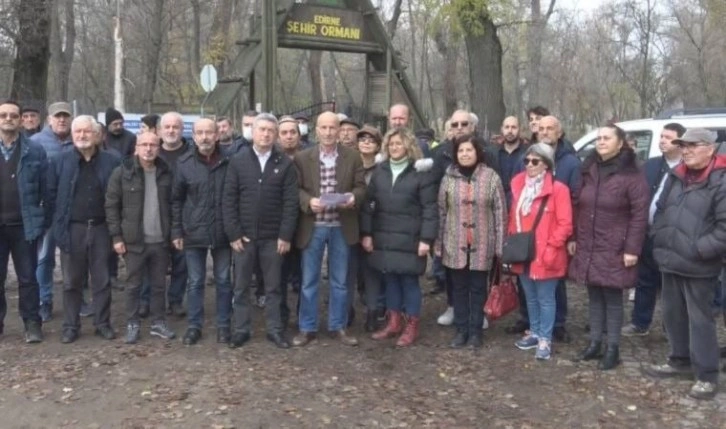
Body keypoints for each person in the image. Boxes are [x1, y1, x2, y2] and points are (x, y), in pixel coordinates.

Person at [645, 128, 726, 400]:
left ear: (711, 148)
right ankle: (679, 360)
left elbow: (724, 230)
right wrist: (658, 237)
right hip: (669, 258)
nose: (686, 150)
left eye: (693, 146)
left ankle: (706, 375)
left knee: (700, 321)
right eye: (684, 146)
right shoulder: (676, 175)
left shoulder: (721, 180)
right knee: (672, 315)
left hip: (699, 265)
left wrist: (699, 250)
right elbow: (662, 210)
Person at [569, 125, 649, 370]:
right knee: (593, 294)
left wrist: (632, 249)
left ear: (620, 143)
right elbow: (577, 204)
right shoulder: (589, 169)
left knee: (613, 297)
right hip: (589, 242)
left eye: (607, 138)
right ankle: (594, 342)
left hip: (616, 244)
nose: (601, 142)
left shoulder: (632, 175)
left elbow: (639, 215)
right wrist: (573, 237)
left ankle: (612, 347)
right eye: (599, 138)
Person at [223, 113, 299, 349]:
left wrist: (285, 236)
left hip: (273, 239)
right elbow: (229, 199)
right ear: (252, 132)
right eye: (261, 129)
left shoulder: (284, 163)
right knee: (242, 285)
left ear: (275, 135)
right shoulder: (238, 160)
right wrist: (233, 233)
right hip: (244, 238)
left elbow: (291, 203)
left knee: (274, 287)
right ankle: (241, 330)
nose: (265, 134)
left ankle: (275, 330)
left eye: (270, 130)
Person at [291, 111, 366, 347]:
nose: (328, 132)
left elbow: (362, 187)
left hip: (341, 225)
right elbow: (295, 189)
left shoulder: (353, 157)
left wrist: (353, 197)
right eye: (323, 128)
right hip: (313, 225)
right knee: (309, 280)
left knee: (340, 281)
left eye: (333, 128)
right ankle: (307, 327)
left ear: (340, 130)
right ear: (316, 130)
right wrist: (308, 202)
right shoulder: (303, 158)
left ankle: (338, 326)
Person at [48, 115, 121, 343]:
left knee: (102, 280)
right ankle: (71, 326)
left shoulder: (112, 161)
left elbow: (119, 197)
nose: (82, 136)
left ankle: (102, 323)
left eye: (86, 132)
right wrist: (57, 227)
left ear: (96, 135)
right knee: (71, 281)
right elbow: (51, 196)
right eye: (77, 131)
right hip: (72, 228)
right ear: (72, 134)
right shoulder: (60, 161)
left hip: (101, 228)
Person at [507, 115, 580, 343]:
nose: (529, 164)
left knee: (548, 296)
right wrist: (511, 244)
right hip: (525, 249)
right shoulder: (519, 185)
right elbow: (514, 216)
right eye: (527, 161)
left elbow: (567, 218)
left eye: (535, 162)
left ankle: (548, 335)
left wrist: (556, 244)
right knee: (530, 296)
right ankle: (535, 331)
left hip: (548, 246)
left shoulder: (564, 176)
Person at [362, 128, 437, 347]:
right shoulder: (380, 171)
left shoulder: (420, 173)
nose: (395, 148)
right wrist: (367, 234)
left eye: (399, 143)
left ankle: (412, 324)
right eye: (391, 144)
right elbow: (368, 205)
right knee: (391, 279)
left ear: (408, 146)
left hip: (410, 238)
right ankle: (394, 322)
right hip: (384, 235)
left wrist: (426, 239)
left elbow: (430, 209)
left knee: (409, 281)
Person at [105, 131, 176, 344]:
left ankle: (158, 323)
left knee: (158, 285)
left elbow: (174, 205)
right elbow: (111, 205)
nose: (148, 149)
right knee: (133, 285)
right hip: (134, 241)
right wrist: (117, 236)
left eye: (153, 145)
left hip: (160, 241)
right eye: (144, 144)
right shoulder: (122, 172)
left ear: (159, 148)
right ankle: (132, 323)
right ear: (136, 147)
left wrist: (174, 233)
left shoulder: (166, 172)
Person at [436, 134, 506, 348]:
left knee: (478, 288)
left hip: (482, 242)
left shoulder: (491, 177)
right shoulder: (449, 177)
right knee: (458, 288)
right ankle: (461, 329)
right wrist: (438, 242)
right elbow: (441, 211)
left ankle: (476, 331)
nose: (465, 154)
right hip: (454, 241)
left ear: (477, 152)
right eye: (461, 151)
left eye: (469, 150)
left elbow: (500, 212)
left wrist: (500, 244)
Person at [172, 118, 232, 346]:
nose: (205, 137)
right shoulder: (184, 163)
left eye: (209, 132)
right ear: (194, 136)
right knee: (195, 281)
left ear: (217, 135)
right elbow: (176, 201)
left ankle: (224, 325)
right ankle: (194, 326)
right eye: (200, 133)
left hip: (223, 232)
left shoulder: (229, 161)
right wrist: (177, 231)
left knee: (224, 280)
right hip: (193, 232)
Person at [623, 123, 685, 336]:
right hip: (646, 234)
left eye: (668, 137)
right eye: (661, 136)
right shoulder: (650, 165)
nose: (662, 140)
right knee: (644, 280)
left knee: (670, 285)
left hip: (672, 238)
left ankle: (672, 329)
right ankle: (640, 322)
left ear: (680, 142)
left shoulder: (688, 168)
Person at [0, 100, 47, 342]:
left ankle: (32, 323)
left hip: (24, 226)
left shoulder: (34, 150)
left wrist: (41, 218)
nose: (8, 119)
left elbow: (45, 188)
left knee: (28, 278)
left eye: (13, 115)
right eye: (3, 115)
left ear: (20, 120)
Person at [31, 101, 74, 323]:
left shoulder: (78, 140)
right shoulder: (35, 143)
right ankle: (43, 301)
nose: (62, 120)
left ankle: (76, 301)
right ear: (49, 119)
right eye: (58, 116)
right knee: (44, 259)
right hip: (47, 212)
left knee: (75, 260)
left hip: (73, 213)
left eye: (66, 116)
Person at [157, 112, 191, 317]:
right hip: (155, 216)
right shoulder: (150, 152)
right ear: (160, 130)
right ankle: (150, 301)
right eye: (167, 127)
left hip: (185, 217)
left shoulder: (191, 154)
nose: (171, 131)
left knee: (182, 262)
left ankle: (176, 300)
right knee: (154, 264)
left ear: (182, 130)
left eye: (175, 127)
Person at [355, 125, 385, 332]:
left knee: (372, 271)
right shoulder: (349, 164)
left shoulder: (382, 170)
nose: (366, 142)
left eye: (371, 140)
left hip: (375, 226)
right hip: (350, 223)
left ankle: (374, 311)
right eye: (362, 139)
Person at [277, 115, 304, 326]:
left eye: (292, 132)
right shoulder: (272, 159)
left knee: (305, 276)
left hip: (305, 226)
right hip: (278, 228)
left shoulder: (309, 158)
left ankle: (304, 316)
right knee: (278, 277)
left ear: (299, 135)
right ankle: (281, 317)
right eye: (284, 133)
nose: (288, 137)